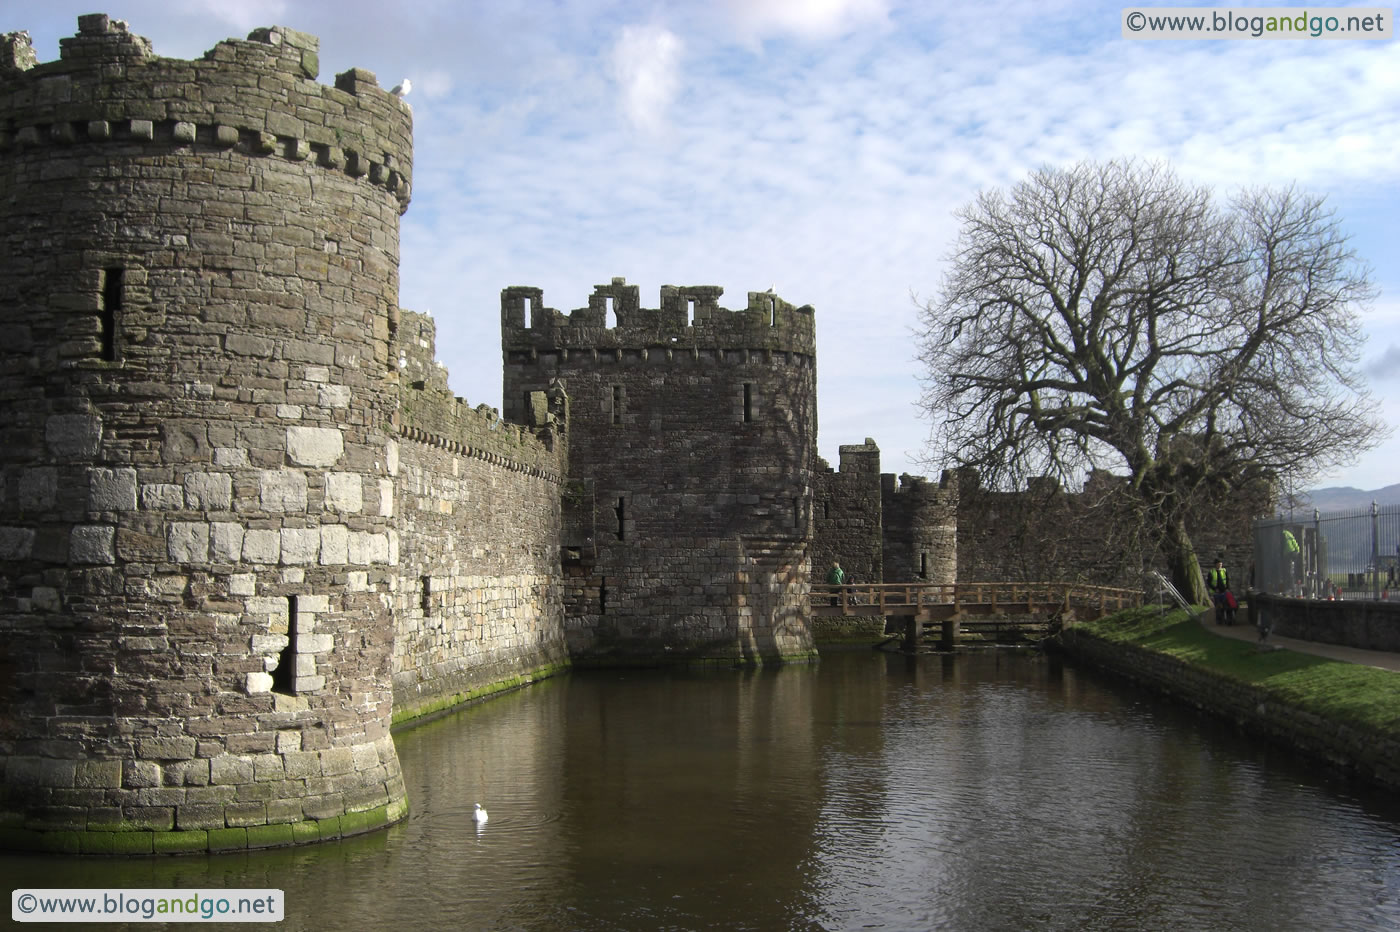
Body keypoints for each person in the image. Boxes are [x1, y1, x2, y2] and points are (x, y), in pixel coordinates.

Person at [1206, 556, 1233, 625]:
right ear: (1215, 564)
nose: (1220, 565)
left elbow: (1227, 580)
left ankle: (1228, 618)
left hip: (1224, 591)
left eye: (1221, 564)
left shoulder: (1224, 571)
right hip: (1216, 592)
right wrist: (1215, 589)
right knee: (1218, 607)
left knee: (1227, 605)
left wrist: (1228, 588)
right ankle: (1219, 620)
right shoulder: (1211, 572)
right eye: (1218, 564)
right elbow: (1208, 582)